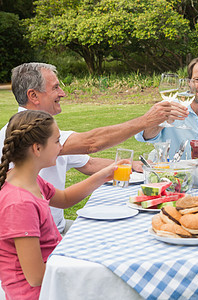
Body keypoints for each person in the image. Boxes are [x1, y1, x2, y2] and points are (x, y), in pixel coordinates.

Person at [0, 62, 174, 234]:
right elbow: (92, 143)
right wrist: (145, 121)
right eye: (55, 87)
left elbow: (88, 164)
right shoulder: (27, 134)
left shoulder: (40, 136)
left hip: (56, 228)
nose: (63, 93)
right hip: (40, 234)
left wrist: (131, 165)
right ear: (34, 96)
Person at [0, 110, 121, 300]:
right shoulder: (20, 203)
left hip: (53, 279)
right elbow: (35, 277)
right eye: (57, 141)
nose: (61, 147)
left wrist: (104, 174)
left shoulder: (31, 180)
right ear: (37, 149)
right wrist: (84, 267)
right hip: (40, 293)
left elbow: (64, 199)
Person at [135, 55, 198, 166]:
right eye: (197, 80)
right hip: (169, 178)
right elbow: (143, 136)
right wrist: (161, 121)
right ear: (189, 82)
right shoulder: (170, 108)